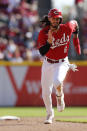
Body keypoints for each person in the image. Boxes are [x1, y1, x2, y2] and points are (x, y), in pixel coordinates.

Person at [37, 8, 81, 124]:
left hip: (62, 62)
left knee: (57, 81)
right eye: (53, 18)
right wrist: (49, 43)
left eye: (57, 19)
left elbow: (75, 23)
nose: (55, 21)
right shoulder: (44, 33)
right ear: (49, 19)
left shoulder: (66, 27)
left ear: (60, 19)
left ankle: (60, 96)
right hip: (47, 63)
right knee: (45, 92)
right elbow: (42, 52)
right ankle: (49, 114)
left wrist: (76, 40)